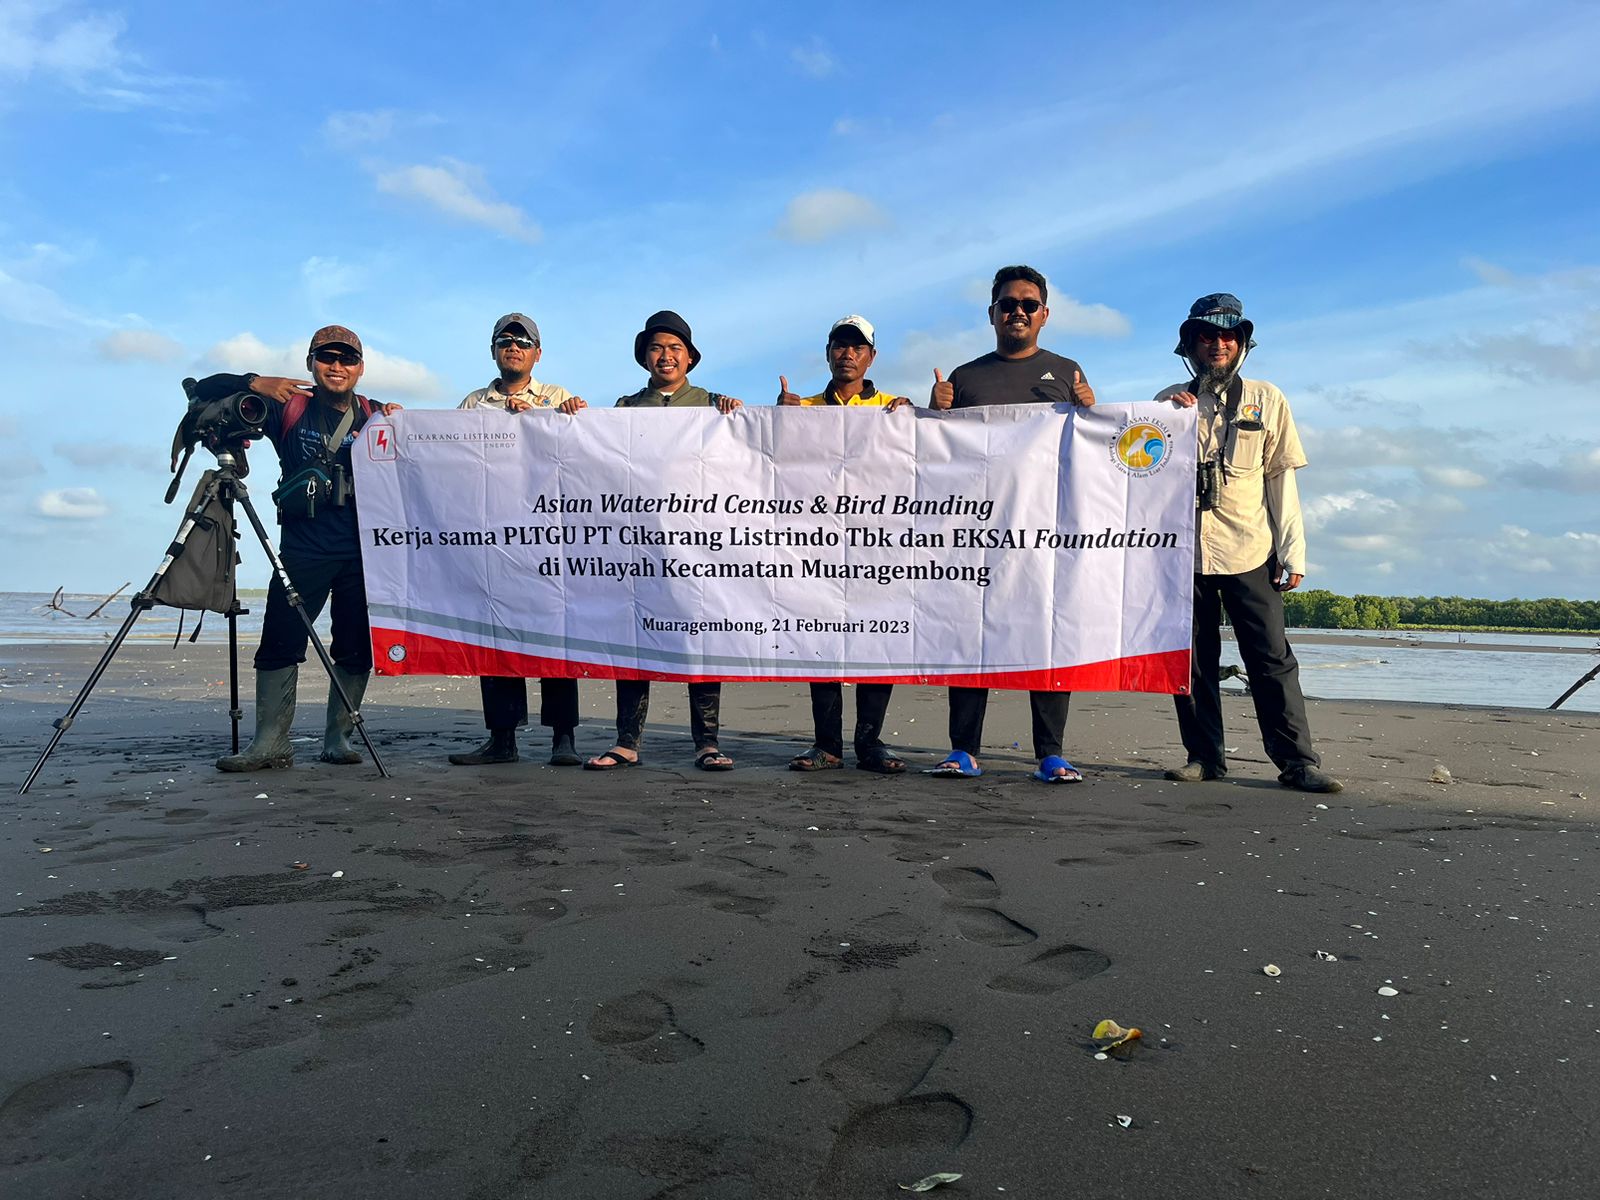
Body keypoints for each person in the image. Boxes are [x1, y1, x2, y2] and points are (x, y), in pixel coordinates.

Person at [1155, 293, 1342, 793]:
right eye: (1207, 335)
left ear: (1241, 344)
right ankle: (1204, 757)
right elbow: (1137, 476)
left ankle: (1297, 762)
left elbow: (1281, 479)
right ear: (1190, 344)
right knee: (1192, 660)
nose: (1217, 343)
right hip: (1183, 555)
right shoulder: (1167, 402)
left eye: (1227, 335)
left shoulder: (1267, 397)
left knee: (1271, 659)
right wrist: (1169, 422)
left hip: (1250, 550)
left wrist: (1292, 552)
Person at [927, 265, 1095, 783]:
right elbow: (934, 458)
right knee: (971, 636)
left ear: (1044, 314)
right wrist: (934, 413)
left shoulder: (1067, 371)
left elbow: (1093, 454)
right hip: (977, 534)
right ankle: (963, 749)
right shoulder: (966, 376)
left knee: (1047, 635)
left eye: (1028, 303)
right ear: (992, 313)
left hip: (1046, 532)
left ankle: (1050, 753)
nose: (1017, 311)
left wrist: (1092, 411)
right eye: (1007, 303)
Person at [212, 325, 398, 771]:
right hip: (303, 548)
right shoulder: (289, 407)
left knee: (356, 648)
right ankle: (271, 744)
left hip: (363, 553)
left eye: (347, 359)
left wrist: (402, 423)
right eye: (327, 358)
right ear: (311, 363)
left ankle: (338, 739)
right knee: (281, 640)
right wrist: (254, 382)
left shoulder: (376, 414)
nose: (337, 367)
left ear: (360, 367)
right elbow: (203, 390)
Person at [584, 310, 743, 772]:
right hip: (641, 543)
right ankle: (626, 741)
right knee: (635, 640)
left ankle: (707, 743)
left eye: (675, 348)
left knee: (702, 639)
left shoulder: (715, 404)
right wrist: (573, 418)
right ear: (644, 358)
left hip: (701, 543)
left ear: (690, 358)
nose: (665, 356)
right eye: (656, 348)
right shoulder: (625, 408)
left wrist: (737, 418)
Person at [450, 313, 588, 767]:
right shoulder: (473, 402)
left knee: (554, 635)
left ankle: (563, 737)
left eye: (523, 341)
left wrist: (550, 421)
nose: (514, 346)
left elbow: (585, 456)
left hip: (550, 535)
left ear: (537, 353)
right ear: (493, 350)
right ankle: (502, 738)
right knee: (496, 635)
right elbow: (448, 459)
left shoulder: (559, 397)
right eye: (505, 340)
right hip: (492, 534)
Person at [777, 315, 911, 774]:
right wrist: (779, 422)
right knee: (822, 642)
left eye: (858, 347)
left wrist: (924, 417)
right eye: (840, 345)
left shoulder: (896, 407)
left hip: (879, 545)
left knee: (877, 641)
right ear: (828, 352)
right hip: (819, 545)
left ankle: (870, 743)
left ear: (871, 356)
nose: (848, 353)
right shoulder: (805, 407)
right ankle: (827, 744)